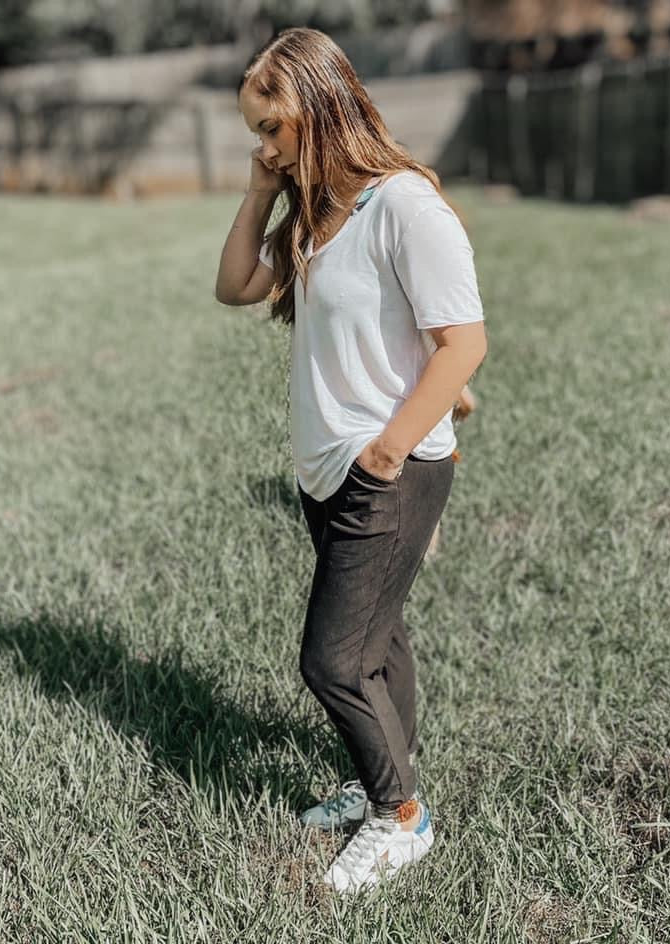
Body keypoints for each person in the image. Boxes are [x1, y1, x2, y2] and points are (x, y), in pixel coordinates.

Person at [214, 26, 487, 895]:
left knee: (332, 661)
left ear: (322, 107)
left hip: (388, 471)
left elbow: (465, 344)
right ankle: (377, 783)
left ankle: (401, 815)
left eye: (272, 128)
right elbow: (233, 286)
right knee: (378, 640)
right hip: (326, 472)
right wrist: (261, 192)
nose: (264, 147)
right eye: (255, 133)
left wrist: (387, 450)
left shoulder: (403, 205)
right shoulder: (315, 213)